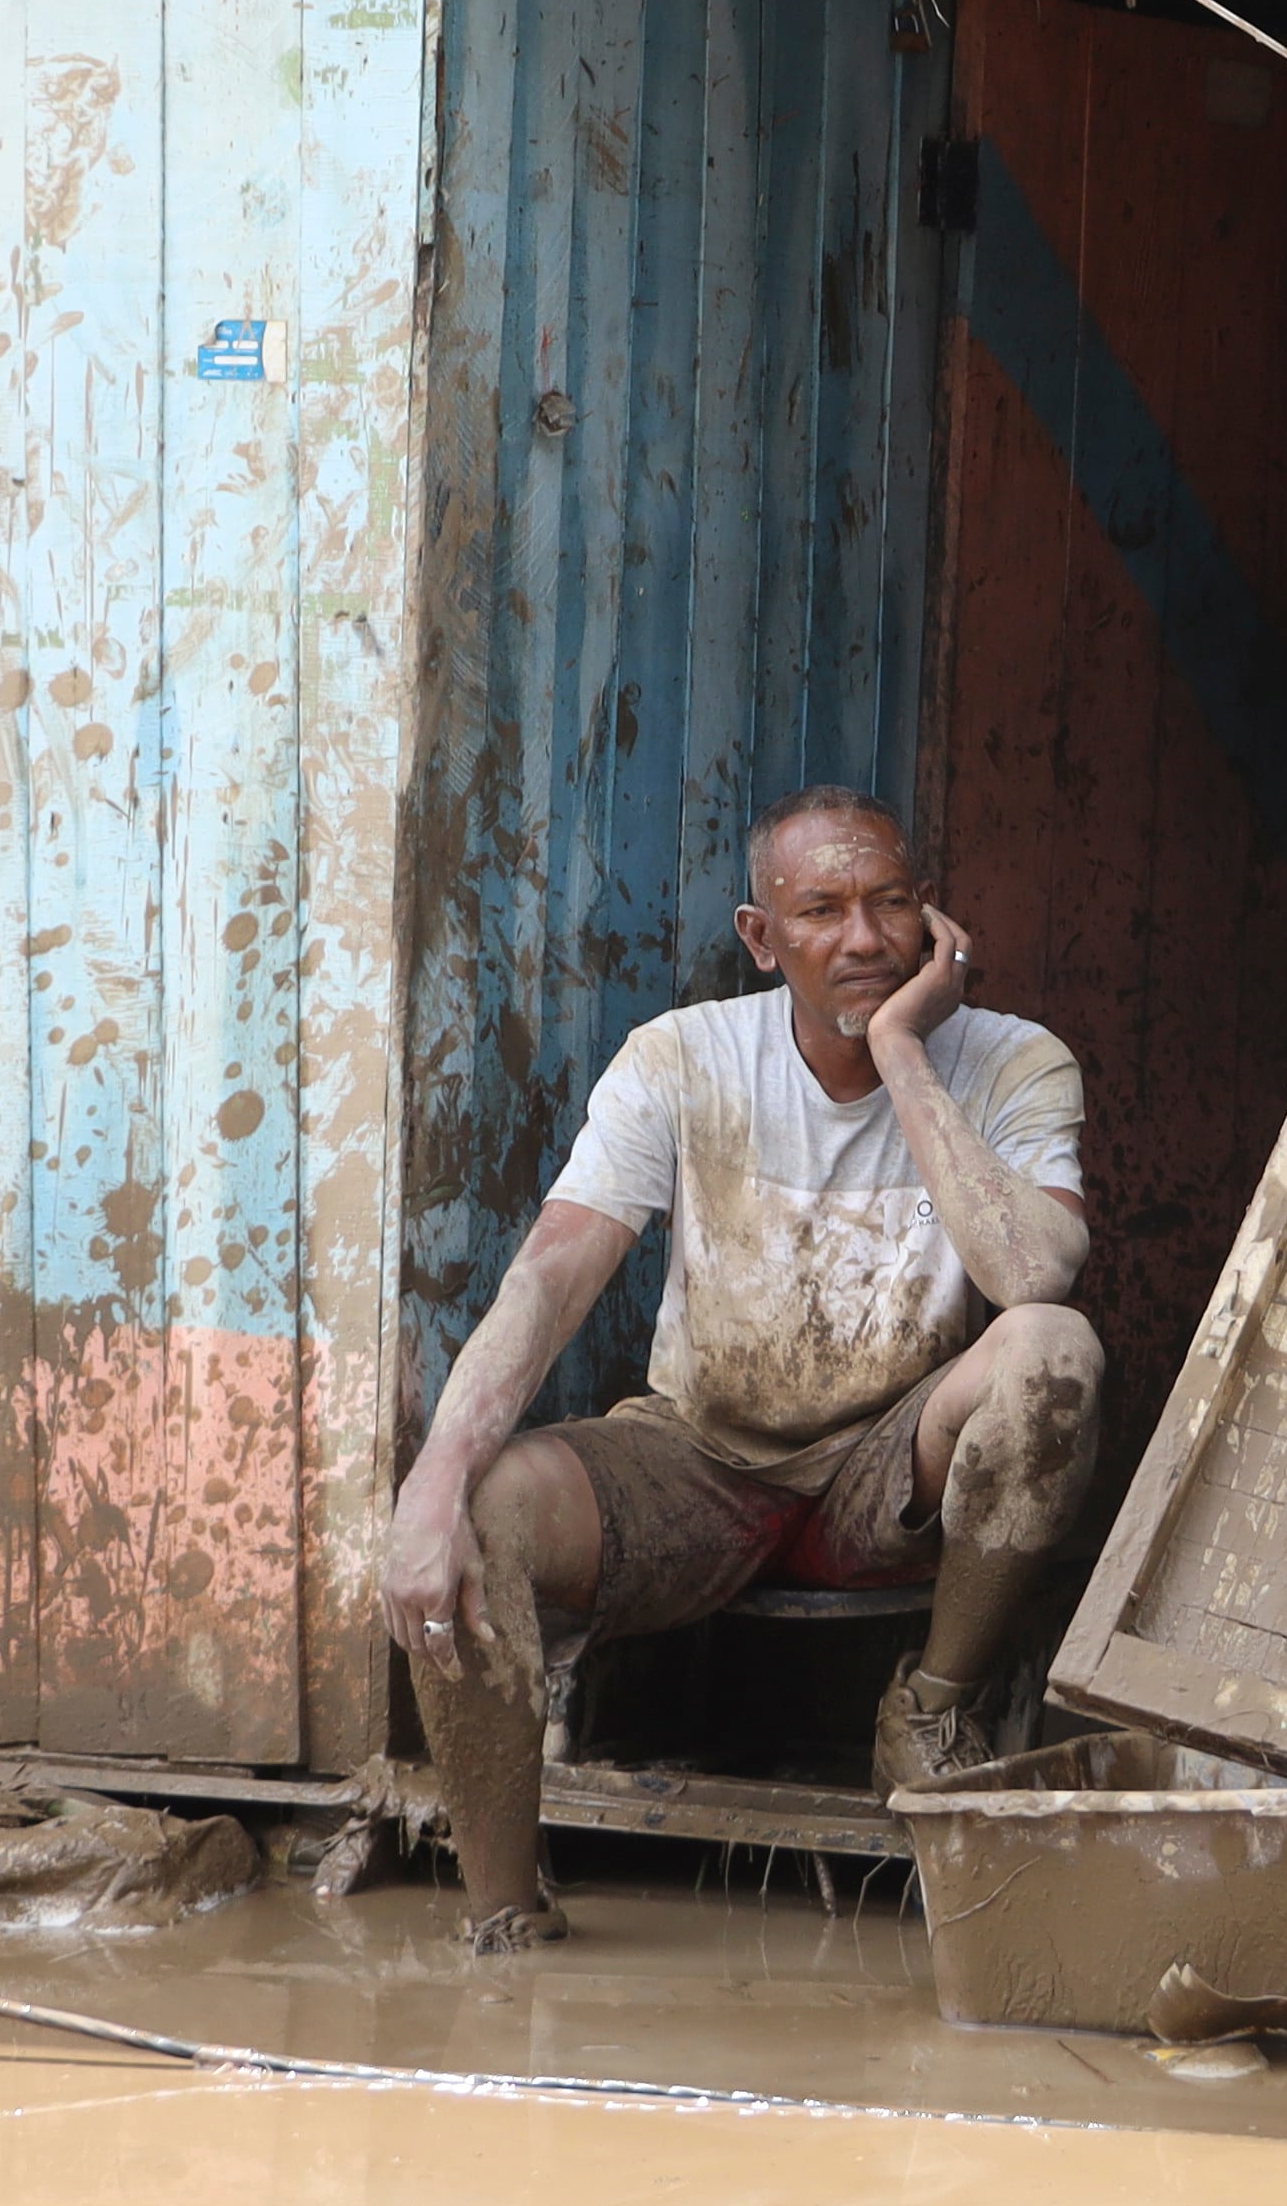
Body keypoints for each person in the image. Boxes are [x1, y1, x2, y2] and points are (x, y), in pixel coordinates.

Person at [381, 786, 1099, 1946]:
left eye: (890, 903)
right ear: (762, 938)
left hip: (890, 1467)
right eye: (821, 910)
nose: (864, 938)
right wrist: (433, 1482)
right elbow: (550, 1281)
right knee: (485, 1503)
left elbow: (1035, 1277)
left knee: (1053, 1352)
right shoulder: (683, 1057)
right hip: (698, 1458)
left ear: (932, 919)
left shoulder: (1016, 1061)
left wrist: (902, 1050)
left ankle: (930, 1709)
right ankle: (506, 1920)